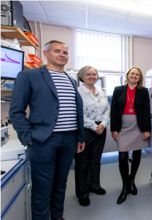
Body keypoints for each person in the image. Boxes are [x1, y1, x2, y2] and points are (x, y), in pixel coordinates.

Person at [9, 40, 85, 220]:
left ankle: (57, 217)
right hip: (44, 140)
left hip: (69, 140)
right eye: (57, 51)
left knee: (60, 184)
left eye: (65, 52)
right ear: (46, 53)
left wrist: (80, 137)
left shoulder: (72, 81)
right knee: (42, 188)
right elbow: (16, 111)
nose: (62, 54)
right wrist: (27, 136)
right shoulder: (29, 76)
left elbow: (76, 111)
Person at [110, 66, 151, 204]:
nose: (134, 76)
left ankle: (131, 180)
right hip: (123, 126)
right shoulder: (118, 90)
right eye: (132, 73)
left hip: (138, 126)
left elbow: (146, 111)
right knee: (122, 156)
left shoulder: (144, 91)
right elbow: (114, 110)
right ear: (128, 75)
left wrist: (146, 129)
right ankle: (125, 185)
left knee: (137, 154)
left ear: (139, 78)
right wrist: (114, 129)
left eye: (137, 75)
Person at [74, 66, 110, 206]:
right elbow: (78, 113)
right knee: (82, 163)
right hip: (85, 130)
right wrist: (95, 126)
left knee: (96, 160)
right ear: (82, 76)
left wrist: (103, 123)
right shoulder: (78, 92)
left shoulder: (101, 91)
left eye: (94, 74)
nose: (92, 76)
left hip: (101, 128)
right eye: (88, 74)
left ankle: (95, 185)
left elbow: (107, 109)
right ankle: (82, 193)